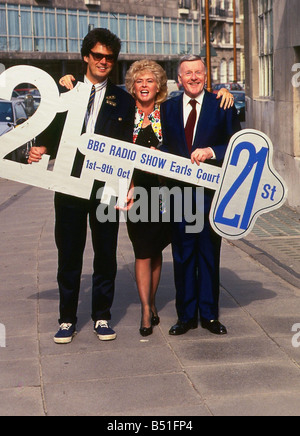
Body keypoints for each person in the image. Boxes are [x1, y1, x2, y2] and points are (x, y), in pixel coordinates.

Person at [59, 60, 234, 338]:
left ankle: (201, 314)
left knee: (183, 251)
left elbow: (226, 140)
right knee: (156, 251)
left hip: (175, 191)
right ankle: (160, 311)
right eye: (139, 81)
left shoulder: (174, 109)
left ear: (161, 84)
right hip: (137, 190)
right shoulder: (128, 109)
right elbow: (95, 99)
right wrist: (69, 81)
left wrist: (223, 93)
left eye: (150, 81)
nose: (144, 85)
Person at [28, 28, 136, 344]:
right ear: (86, 57)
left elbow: (126, 146)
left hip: (105, 186)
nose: (104, 62)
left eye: (109, 58)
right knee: (69, 253)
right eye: (98, 56)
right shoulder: (67, 94)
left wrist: (126, 184)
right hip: (69, 182)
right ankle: (67, 319)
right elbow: (48, 129)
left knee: (105, 253)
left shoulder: (123, 101)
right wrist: (38, 148)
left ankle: (102, 316)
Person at [160, 54, 241, 336]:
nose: (193, 77)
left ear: (206, 76)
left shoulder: (223, 104)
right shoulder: (167, 108)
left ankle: (209, 315)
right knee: (182, 256)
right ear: (179, 78)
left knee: (208, 254)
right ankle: (186, 316)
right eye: (187, 73)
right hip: (178, 195)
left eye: (198, 72)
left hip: (210, 195)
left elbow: (236, 144)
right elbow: (163, 146)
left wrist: (212, 152)